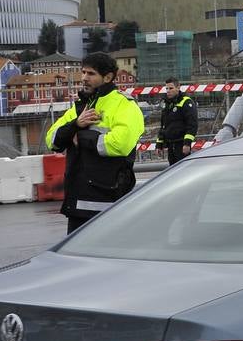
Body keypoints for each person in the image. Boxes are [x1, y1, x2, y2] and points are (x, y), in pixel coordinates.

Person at [46, 52, 144, 233]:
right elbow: (52, 140)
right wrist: (75, 125)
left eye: (90, 74)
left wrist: (80, 136)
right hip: (78, 201)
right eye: (83, 72)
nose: (84, 78)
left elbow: (120, 145)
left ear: (108, 77)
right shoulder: (82, 106)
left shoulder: (125, 105)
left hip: (108, 199)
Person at [157, 77, 198, 164]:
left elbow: (192, 124)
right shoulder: (167, 104)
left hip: (181, 144)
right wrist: (159, 144)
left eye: (171, 88)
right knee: (173, 172)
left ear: (178, 87)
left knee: (184, 172)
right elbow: (163, 125)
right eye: (167, 88)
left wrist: (187, 143)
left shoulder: (186, 102)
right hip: (170, 145)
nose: (168, 91)